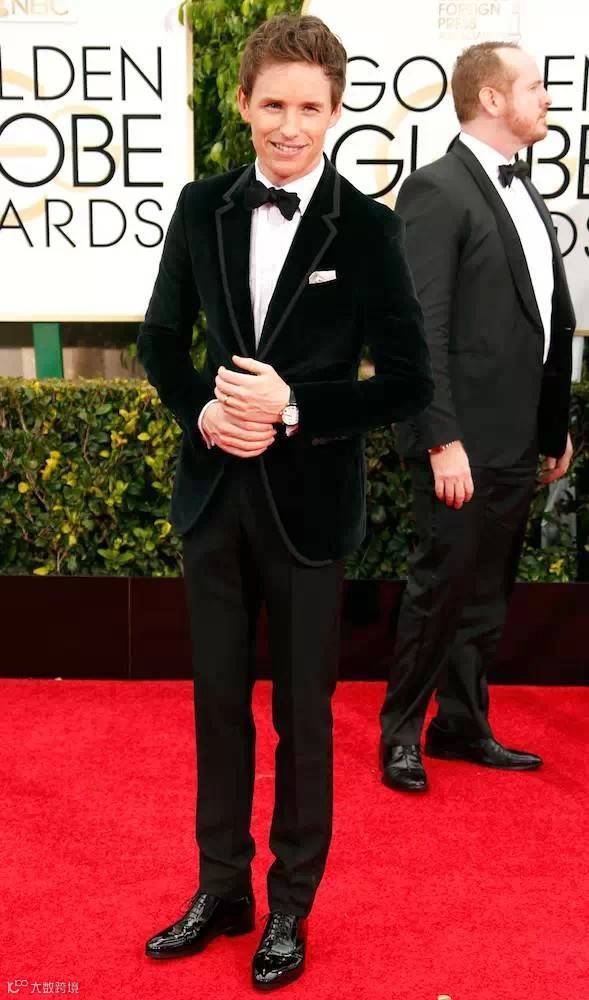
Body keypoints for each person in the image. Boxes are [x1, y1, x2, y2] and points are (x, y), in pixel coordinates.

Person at [138, 14, 432, 989]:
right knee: (216, 708)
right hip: (213, 499)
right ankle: (220, 887)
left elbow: (407, 382)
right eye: (273, 104)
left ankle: (290, 906)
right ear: (242, 103)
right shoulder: (202, 206)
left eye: (309, 107)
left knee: (304, 719)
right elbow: (159, 342)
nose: (290, 126)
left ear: (335, 111)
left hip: (309, 512)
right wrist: (205, 414)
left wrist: (294, 406)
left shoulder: (370, 228)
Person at [379, 41, 576, 794]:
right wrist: (441, 439)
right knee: (440, 587)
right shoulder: (436, 190)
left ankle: (460, 723)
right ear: (491, 99)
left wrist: (551, 426)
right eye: (533, 86)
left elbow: (544, 320)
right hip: (459, 442)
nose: (546, 97)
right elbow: (418, 329)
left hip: (515, 438)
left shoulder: (524, 189)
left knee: (487, 593)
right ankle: (401, 734)